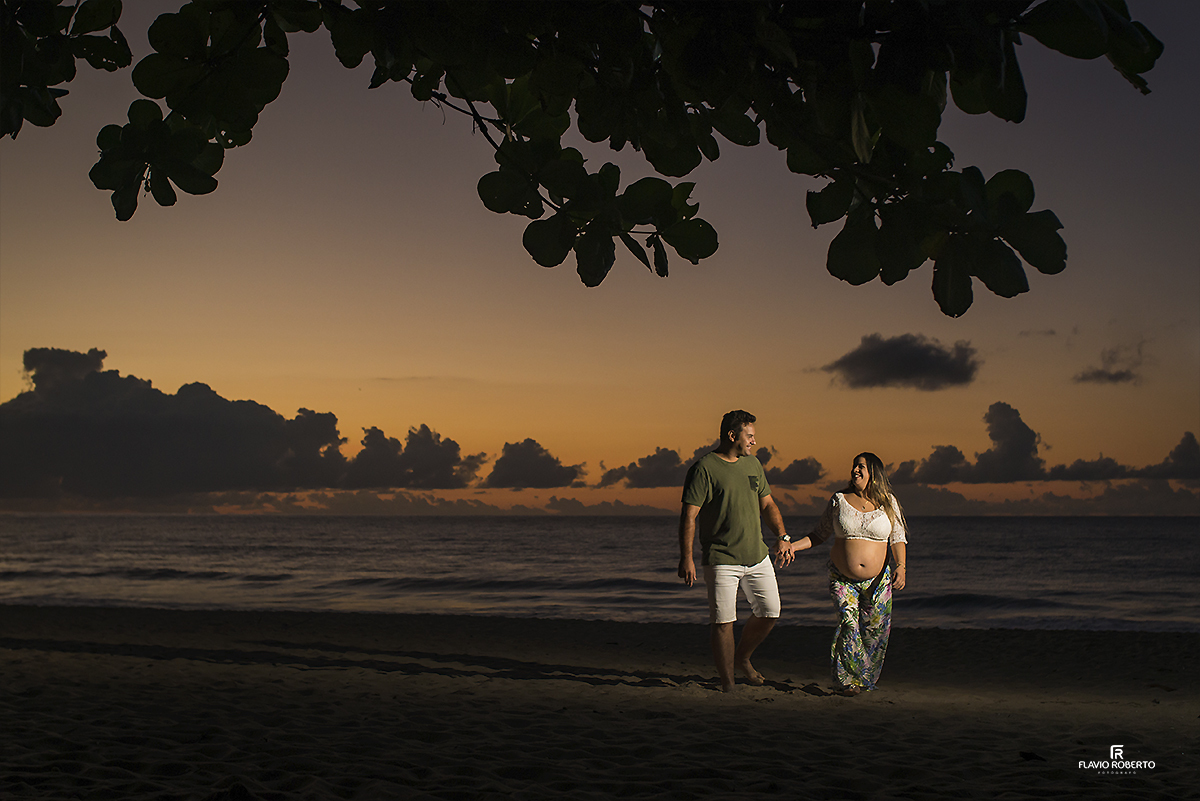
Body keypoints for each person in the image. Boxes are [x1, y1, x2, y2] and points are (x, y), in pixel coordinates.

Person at [678, 410, 794, 692]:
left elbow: (767, 505)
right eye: (750, 436)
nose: (754, 441)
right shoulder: (703, 468)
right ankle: (728, 684)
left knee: (770, 611)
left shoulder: (753, 465)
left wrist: (783, 536)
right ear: (733, 436)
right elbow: (689, 516)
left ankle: (742, 657)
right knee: (723, 622)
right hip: (721, 559)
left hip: (757, 556)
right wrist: (687, 557)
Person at [784, 452, 907, 696]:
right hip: (842, 578)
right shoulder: (839, 499)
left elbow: (898, 538)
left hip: (878, 581)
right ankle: (845, 682)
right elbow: (820, 534)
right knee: (849, 624)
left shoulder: (889, 503)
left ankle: (863, 680)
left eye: (861, 467)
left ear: (874, 472)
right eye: (854, 466)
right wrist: (792, 546)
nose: (855, 471)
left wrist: (901, 565)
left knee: (874, 632)